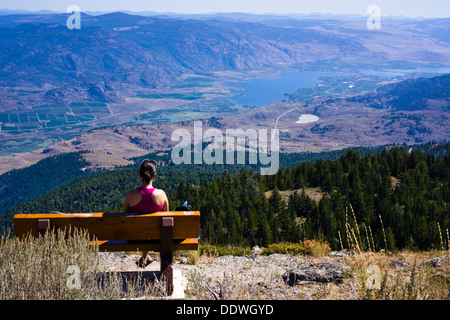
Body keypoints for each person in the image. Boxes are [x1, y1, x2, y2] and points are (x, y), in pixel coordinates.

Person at [124, 159, 169, 268]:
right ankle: (145, 257)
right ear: (154, 175)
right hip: (157, 236)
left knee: (143, 229)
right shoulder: (161, 195)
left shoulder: (130, 195)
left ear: (140, 175)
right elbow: (167, 216)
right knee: (153, 229)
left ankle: (144, 257)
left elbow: (126, 217)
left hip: (134, 237)